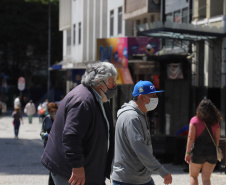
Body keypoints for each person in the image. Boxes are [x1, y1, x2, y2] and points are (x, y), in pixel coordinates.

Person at [41, 61, 118, 185]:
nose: (115, 85)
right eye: (112, 81)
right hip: (71, 172)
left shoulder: (99, 98)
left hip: (89, 171)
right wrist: (77, 166)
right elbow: (72, 136)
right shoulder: (83, 101)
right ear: (99, 81)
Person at [112, 80, 172, 185]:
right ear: (141, 97)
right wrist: (162, 171)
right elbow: (141, 149)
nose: (156, 98)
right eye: (152, 96)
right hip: (128, 180)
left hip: (141, 178)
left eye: (156, 95)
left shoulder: (140, 114)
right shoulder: (132, 117)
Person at [184, 99, 221, 185]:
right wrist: (215, 152)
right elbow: (217, 140)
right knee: (206, 179)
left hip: (198, 152)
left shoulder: (194, 120)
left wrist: (187, 152)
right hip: (211, 153)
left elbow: (190, 138)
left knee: (193, 176)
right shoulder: (216, 122)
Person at [40, 102, 58, 185]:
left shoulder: (61, 119)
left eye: (55, 111)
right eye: (51, 111)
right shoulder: (46, 119)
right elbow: (41, 132)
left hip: (59, 147)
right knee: (51, 167)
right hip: (49, 146)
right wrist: (47, 135)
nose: (53, 113)